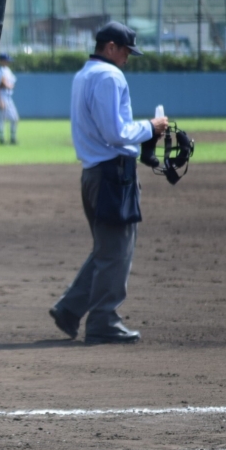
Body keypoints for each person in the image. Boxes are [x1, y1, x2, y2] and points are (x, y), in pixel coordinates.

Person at [49, 21, 169, 345]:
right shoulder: (109, 76)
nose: (128, 57)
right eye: (126, 50)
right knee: (116, 251)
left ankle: (69, 309)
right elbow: (115, 132)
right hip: (112, 175)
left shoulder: (84, 74)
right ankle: (103, 320)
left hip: (93, 173)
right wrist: (151, 127)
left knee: (107, 248)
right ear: (111, 47)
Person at [0, 52, 19, 145]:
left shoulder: (7, 70)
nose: (8, 62)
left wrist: (7, 84)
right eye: (6, 60)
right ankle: (1, 139)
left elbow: (11, 84)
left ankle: (13, 138)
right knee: (1, 119)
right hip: (1, 96)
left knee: (14, 118)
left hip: (8, 97)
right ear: (1, 61)